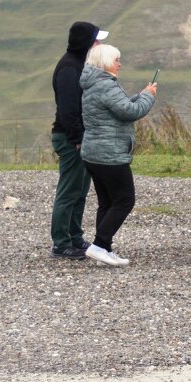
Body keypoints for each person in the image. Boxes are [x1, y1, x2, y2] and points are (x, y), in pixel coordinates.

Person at [79, 43, 157, 267]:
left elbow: (118, 108)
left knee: (107, 202)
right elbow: (131, 112)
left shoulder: (93, 84)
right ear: (104, 62)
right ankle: (99, 245)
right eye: (116, 60)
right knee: (125, 200)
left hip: (93, 152)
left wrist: (140, 95)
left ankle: (105, 249)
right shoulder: (106, 85)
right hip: (110, 154)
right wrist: (149, 97)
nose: (119, 64)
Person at [49, 21, 108, 260]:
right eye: (95, 40)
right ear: (86, 42)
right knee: (69, 190)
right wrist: (78, 138)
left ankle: (74, 237)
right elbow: (68, 109)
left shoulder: (79, 65)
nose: (99, 44)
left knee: (80, 191)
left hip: (80, 138)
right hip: (71, 138)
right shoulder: (69, 68)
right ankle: (61, 242)